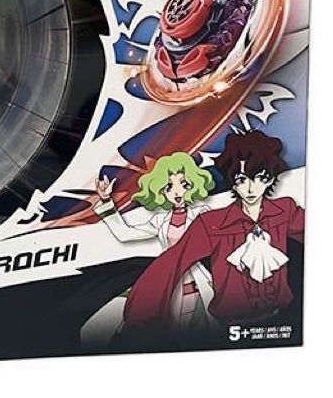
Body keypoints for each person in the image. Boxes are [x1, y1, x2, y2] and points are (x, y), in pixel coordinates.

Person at [123, 130, 304, 336]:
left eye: (259, 178)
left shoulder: (285, 210)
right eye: (241, 179)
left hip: (281, 322)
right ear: (232, 181)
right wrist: (141, 315)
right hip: (229, 327)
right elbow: (172, 262)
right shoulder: (212, 223)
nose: (250, 188)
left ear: (270, 179)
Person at [95, 152, 217, 337]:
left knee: (192, 334)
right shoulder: (160, 220)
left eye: (184, 184)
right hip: (165, 282)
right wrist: (106, 201)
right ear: (160, 191)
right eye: (169, 187)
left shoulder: (201, 213)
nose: (177, 192)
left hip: (195, 283)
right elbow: (126, 233)